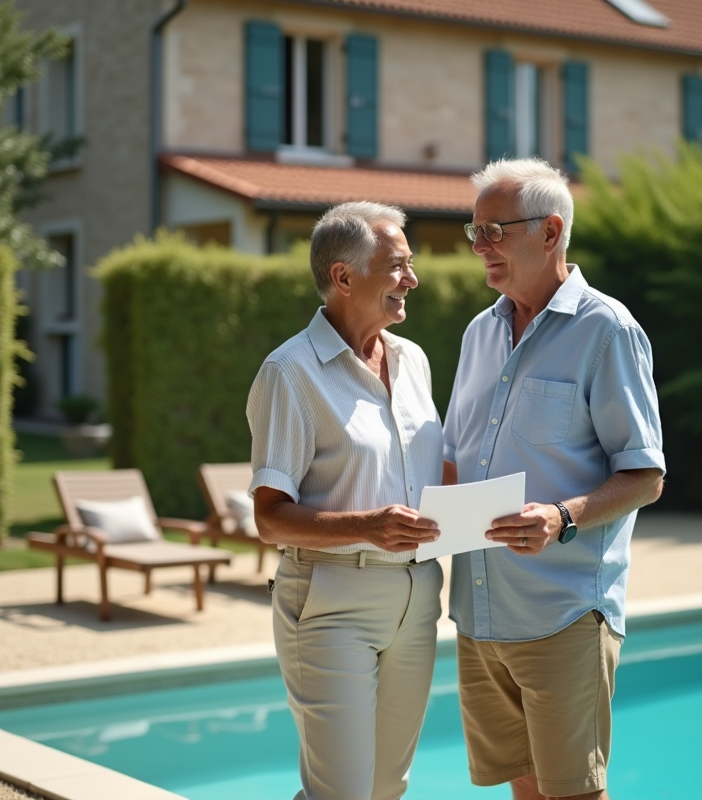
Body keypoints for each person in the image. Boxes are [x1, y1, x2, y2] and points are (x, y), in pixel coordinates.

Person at [442, 158, 666, 800]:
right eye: (475, 231)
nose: (481, 247)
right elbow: (457, 461)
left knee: (573, 791)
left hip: (564, 611)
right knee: (526, 786)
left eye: (496, 231)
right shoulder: (477, 334)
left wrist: (561, 517)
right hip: (481, 610)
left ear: (551, 232)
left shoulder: (607, 329)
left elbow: (645, 475)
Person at [247, 201, 444, 800]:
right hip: (331, 603)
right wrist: (369, 525)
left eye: (410, 265)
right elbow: (269, 517)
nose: (411, 279)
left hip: (418, 599)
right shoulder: (291, 372)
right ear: (343, 276)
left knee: (388, 786)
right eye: (397, 266)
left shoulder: (413, 361)